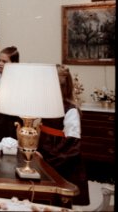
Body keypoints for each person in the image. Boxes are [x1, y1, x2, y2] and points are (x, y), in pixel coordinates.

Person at [37, 64, 89, 205]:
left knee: (60, 198)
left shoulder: (70, 110)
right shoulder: (49, 104)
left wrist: (49, 160)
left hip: (61, 160)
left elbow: (72, 145)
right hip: (45, 151)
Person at [0, 46, 21, 141]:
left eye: (4, 61)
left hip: (10, 122)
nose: (0, 64)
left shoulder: (16, 81)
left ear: (14, 63)